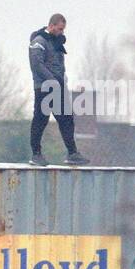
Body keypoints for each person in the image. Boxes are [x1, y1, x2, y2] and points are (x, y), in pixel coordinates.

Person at [28, 13, 89, 166]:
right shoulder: (39, 42)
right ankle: (36, 154)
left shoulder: (56, 43)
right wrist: (52, 81)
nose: (62, 32)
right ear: (52, 25)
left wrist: (62, 81)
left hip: (58, 87)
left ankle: (72, 153)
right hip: (44, 88)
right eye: (60, 29)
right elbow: (37, 65)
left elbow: (58, 65)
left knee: (66, 119)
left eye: (63, 29)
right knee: (40, 120)